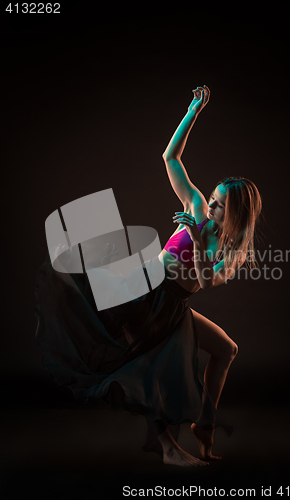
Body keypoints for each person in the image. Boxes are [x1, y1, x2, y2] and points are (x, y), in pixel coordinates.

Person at [34, 85, 262, 467]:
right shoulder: (196, 206)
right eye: (214, 197)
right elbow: (170, 157)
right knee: (154, 364)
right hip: (145, 291)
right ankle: (170, 448)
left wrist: (192, 237)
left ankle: (203, 426)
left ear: (235, 217)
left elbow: (207, 282)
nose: (212, 204)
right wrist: (193, 110)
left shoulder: (230, 250)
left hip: (174, 303)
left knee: (226, 349)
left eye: (220, 205)